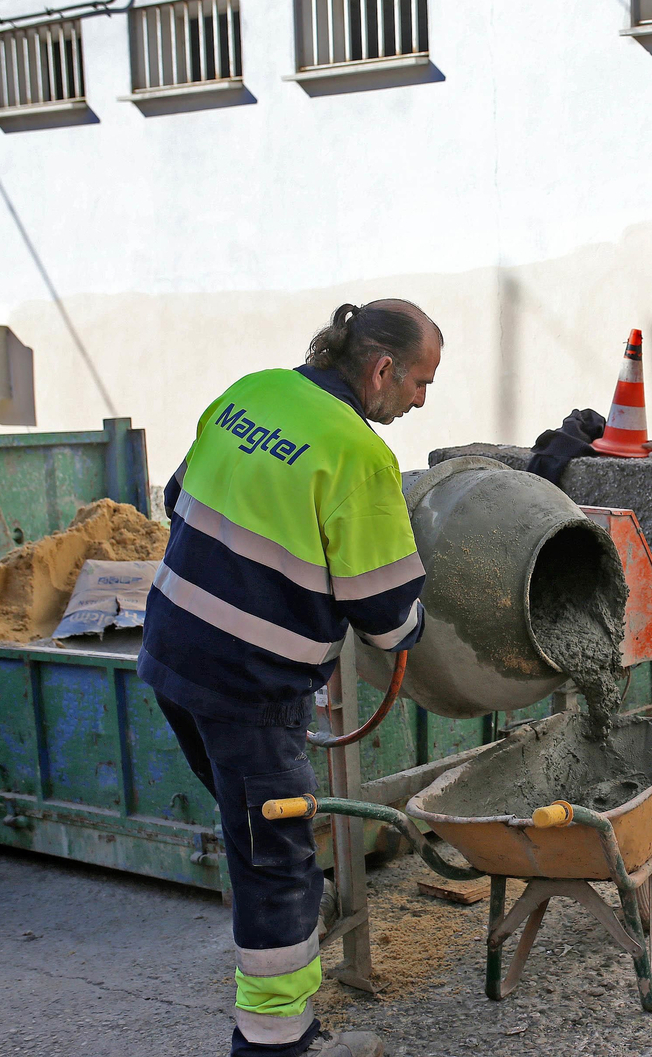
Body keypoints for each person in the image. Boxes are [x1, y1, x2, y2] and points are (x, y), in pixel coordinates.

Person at [140, 300, 442, 1057]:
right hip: (249, 687)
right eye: (420, 381)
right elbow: (385, 613)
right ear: (381, 369)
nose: (420, 399)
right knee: (277, 862)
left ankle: (287, 997)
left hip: (173, 653)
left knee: (255, 834)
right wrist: (418, 625)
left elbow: (175, 500)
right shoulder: (357, 455)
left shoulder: (252, 392)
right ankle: (276, 1044)